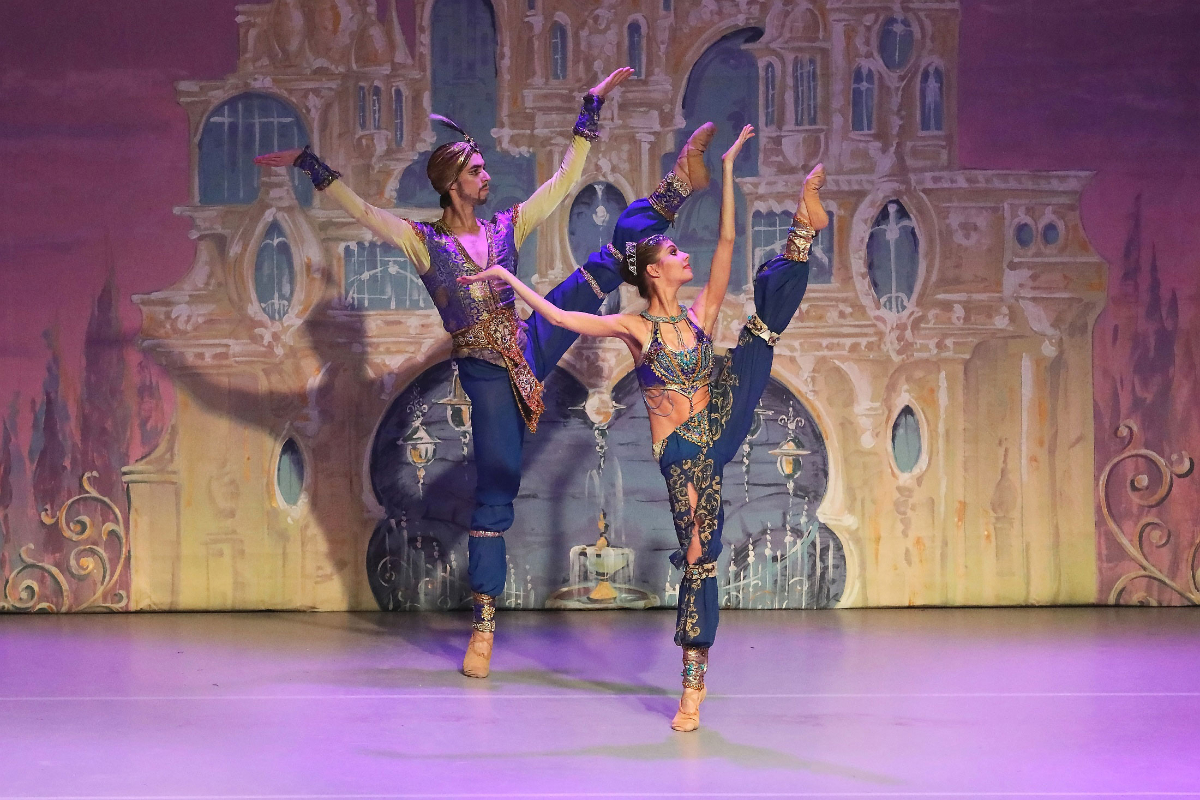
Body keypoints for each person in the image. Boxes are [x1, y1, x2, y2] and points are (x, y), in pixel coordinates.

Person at [253, 69, 720, 680]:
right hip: (485, 370)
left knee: (611, 260)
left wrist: (590, 109)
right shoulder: (423, 242)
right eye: (476, 170)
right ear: (453, 184)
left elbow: (563, 182)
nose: (486, 177)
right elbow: (365, 212)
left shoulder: (506, 227)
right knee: (498, 483)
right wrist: (311, 165)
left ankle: (676, 186)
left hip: (528, 340)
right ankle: (484, 623)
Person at [459, 125, 829, 730]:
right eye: (674, 253)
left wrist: (729, 170)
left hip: (718, 421)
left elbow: (728, 242)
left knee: (760, 334)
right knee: (699, 554)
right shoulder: (636, 329)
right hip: (681, 452)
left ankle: (803, 231)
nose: (685, 256)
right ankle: (692, 685)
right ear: (654, 272)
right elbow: (560, 317)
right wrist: (506, 280)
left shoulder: (700, 316)